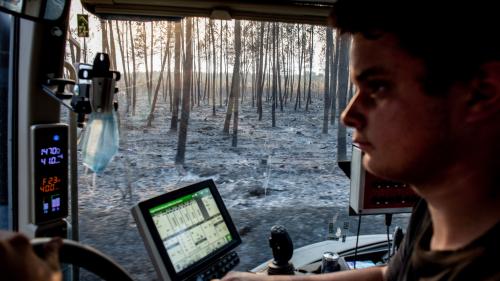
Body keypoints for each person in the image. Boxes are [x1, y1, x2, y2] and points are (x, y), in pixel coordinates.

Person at [216, 1, 500, 280]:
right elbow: (390, 275)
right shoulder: (435, 205)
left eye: (377, 86)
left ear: (480, 93)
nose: (348, 115)